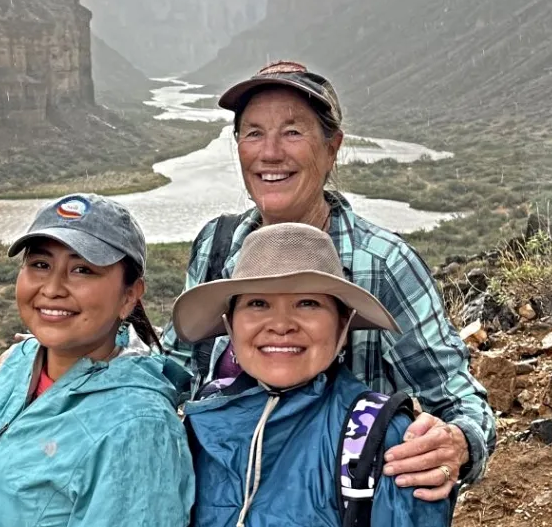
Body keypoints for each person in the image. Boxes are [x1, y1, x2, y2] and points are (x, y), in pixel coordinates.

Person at [160, 60, 496, 500]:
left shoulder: (383, 263)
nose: (271, 152)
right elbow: (178, 366)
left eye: (293, 131)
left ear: (332, 145)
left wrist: (458, 444)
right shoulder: (217, 244)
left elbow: (458, 401)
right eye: (254, 132)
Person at [175, 222, 452, 526]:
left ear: (343, 325)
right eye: (257, 303)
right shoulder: (202, 419)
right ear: (230, 325)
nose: (281, 325)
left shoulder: (384, 439)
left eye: (307, 303)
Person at [0, 193, 194, 527]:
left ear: (129, 295)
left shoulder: (135, 430)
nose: (52, 288)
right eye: (40, 265)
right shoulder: (17, 365)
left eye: (82, 269)